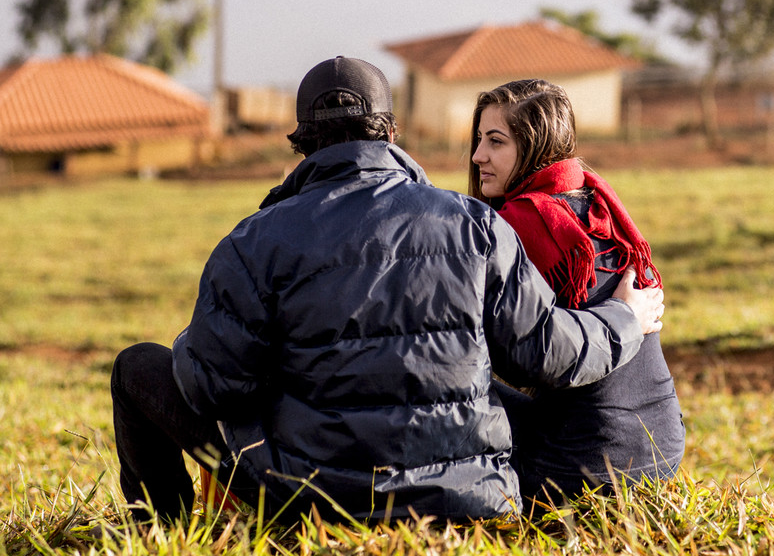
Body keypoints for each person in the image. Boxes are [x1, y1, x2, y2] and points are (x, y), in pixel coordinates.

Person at [109, 56, 665, 525]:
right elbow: (553, 353)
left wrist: (192, 343)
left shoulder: (251, 243)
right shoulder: (475, 224)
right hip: (469, 504)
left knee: (136, 368)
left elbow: (213, 390)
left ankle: (171, 531)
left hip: (311, 502)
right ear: (391, 133)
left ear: (302, 145)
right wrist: (624, 316)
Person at [468, 79, 685, 507]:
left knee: (446, 383)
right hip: (662, 448)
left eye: (496, 141)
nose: (478, 157)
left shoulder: (518, 224)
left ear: (535, 147)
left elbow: (527, 358)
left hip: (585, 459)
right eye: (479, 140)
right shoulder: (597, 202)